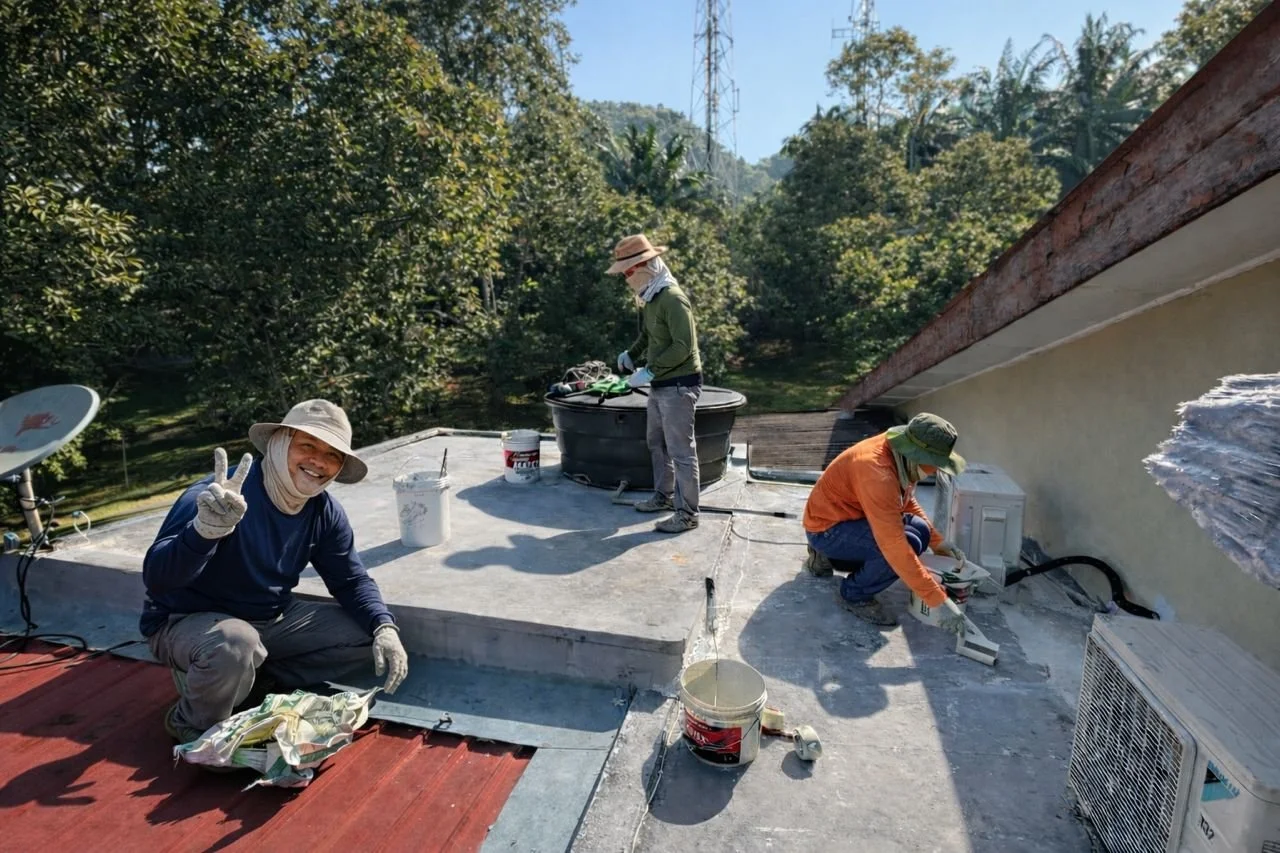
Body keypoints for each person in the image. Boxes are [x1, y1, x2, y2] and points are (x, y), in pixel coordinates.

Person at [141, 399, 409, 745]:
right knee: (234, 643)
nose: (318, 462)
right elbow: (158, 580)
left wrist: (384, 627)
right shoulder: (217, 498)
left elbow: (350, 579)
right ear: (279, 442)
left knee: (365, 634)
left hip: (269, 620)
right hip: (187, 622)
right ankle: (192, 721)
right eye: (307, 446)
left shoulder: (323, 511)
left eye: (332, 455)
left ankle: (248, 677)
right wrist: (203, 532)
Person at [802, 412, 969, 633]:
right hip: (826, 529)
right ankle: (854, 594)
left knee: (919, 529)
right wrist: (937, 600)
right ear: (918, 455)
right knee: (903, 546)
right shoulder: (877, 472)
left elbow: (906, 502)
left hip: (850, 519)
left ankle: (829, 557)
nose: (937, 470)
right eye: (935, 464)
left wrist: (938, 542)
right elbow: (894, 546)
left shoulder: (900, 455)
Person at [609, 233, 703, 535]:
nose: (626, 277)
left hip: (679, 385)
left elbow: (683, 346)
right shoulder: (650, 299)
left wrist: (649, 371)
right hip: (660, 384)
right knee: (657, 443)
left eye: (628, 271)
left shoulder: (673, 298)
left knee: (681, 450)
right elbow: (650, 336)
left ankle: (688, 514)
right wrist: (630, 355)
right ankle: (663, 497)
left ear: (646, 265)